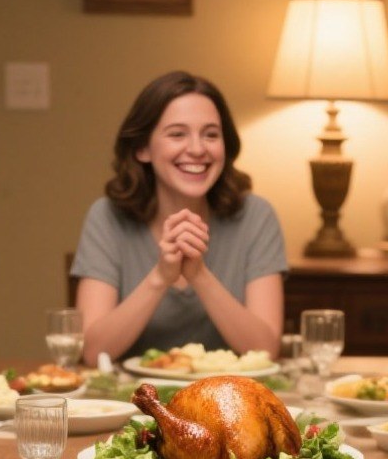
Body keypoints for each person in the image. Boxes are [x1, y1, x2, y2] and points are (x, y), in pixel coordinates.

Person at [72, 70, 286, 365]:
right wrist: (161, 277)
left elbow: (265, 350)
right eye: (177, 134)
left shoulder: (256, 216)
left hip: (227, 392)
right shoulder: (107, 217)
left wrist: (198, 275)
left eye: (211, 135)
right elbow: (93, 352)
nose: (197, 149)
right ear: (142, 148)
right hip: (134, 393)